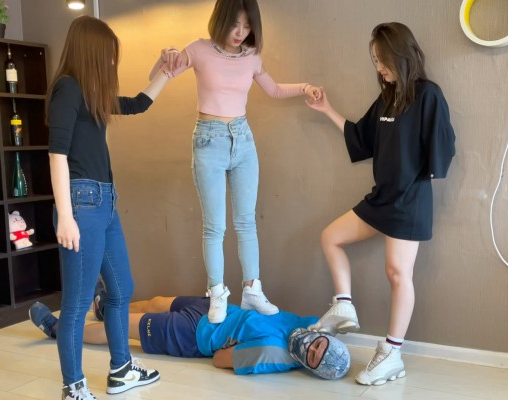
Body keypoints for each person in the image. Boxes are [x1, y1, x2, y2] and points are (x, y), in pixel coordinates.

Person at [149, 0, 321, 324]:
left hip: (243, 140)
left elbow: (274, 89)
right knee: (215, 226)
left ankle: (252, 290)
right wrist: (163, 57)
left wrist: (306, 88)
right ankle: (217, 293)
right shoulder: (198, 50)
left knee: (246, 222)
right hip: (209, 140)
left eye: (247, 25)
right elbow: (159, 76)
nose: (241, 32)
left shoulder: (252, 57)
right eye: (234, 25)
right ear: (221, 21)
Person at [305, 22, 456, 386]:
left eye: (383, 60)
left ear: (402, 55)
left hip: (410, 200)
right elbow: (362, 137)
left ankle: (392, 353)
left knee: (397, 273)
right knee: (330, 237)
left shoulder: (428, 94)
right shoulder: (387, 97)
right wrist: (326, 109)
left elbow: (443, 146)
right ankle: (343, 304)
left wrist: (417, 178)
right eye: (375, 60)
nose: (380, 68)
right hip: (382, 197)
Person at [45, 15, 174, 400]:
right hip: (81, 203)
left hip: (105, 201)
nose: (113, 62)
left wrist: (166, 73)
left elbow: (137, 104)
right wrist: (65, 217)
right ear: (92, 51)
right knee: (78, 302)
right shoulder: (67, 88)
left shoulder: (91, 95)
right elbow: (56, 155)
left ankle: (121, 370)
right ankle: (73, 387)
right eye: (109, 55)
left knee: (120, 289)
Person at [29, 295, 350, 380]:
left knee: (123, 328)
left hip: (192, 335)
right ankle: (103, 309)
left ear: (308, 367)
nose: (309, 348)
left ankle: (59, 330)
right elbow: (335, 320)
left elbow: (221, 360)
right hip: (214, 308)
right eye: (319, 345)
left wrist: (232, 344)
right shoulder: (309, 325)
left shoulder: (272, 355)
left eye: (312, 358)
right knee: (156, 301)